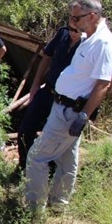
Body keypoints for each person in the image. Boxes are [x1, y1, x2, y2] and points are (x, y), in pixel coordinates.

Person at [25, 0, 112, 211]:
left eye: (76, 18)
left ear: (93, 15)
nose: (72, 23)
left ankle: (33, 209)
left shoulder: (104, 43)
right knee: (67, 160)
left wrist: (84, 115)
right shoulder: (89, 37)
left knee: (37, 157)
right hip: (63, 106)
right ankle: (59, 203)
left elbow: (104, 84)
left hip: (71, 111)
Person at [17, 23, 82, 170]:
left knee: (55, 139)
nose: (73, 33)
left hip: (67, 100)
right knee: (25, 130)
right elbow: (47, 55)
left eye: (77, 31)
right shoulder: (62, 34)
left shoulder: (89, 45)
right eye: (71, 28)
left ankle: (49, 172)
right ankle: (23, 168)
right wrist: (35, 85)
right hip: (48, 91)